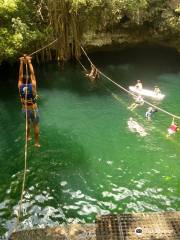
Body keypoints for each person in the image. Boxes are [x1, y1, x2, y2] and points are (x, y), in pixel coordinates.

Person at [18, 55, 40, 147]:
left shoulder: (20, 86)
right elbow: (33, 74)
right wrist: (29, 62)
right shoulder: (33, 86)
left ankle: (27, 137)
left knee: (27, 123)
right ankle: (36, 143)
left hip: (24, 109)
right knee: (35, 125)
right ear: (30, 80)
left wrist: (22, 62)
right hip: (33, 109)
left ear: (22, 80)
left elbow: (20, 75)